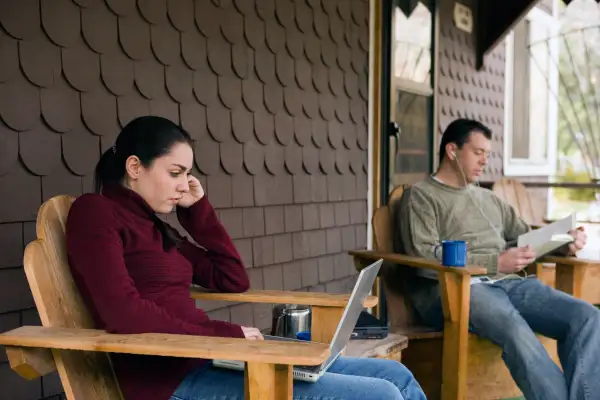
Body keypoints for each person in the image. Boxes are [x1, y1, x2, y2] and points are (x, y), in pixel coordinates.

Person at [65, 116, 426, 400]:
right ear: (134, 167)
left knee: (397, 376)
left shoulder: (157, 227)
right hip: (169, 382)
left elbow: (231, 277)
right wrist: (225, 334)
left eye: (187, 175)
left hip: (213, 359)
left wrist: (197, 211)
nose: (183, 185)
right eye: (175, 173)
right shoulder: (96, 213)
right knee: (382, 395)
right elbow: (124, 312)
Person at [394, 117, 600, 400]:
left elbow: (525, 238)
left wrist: (563, 242)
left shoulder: (489, 200)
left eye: (487, 155)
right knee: (515, 329)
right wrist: (495, 262)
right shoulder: (422, 197)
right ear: (452, 150)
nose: (484, 162)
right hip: (456, 291)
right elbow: (425, 254)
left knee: (586, 317)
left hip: (510, 285)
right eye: (478, 153)